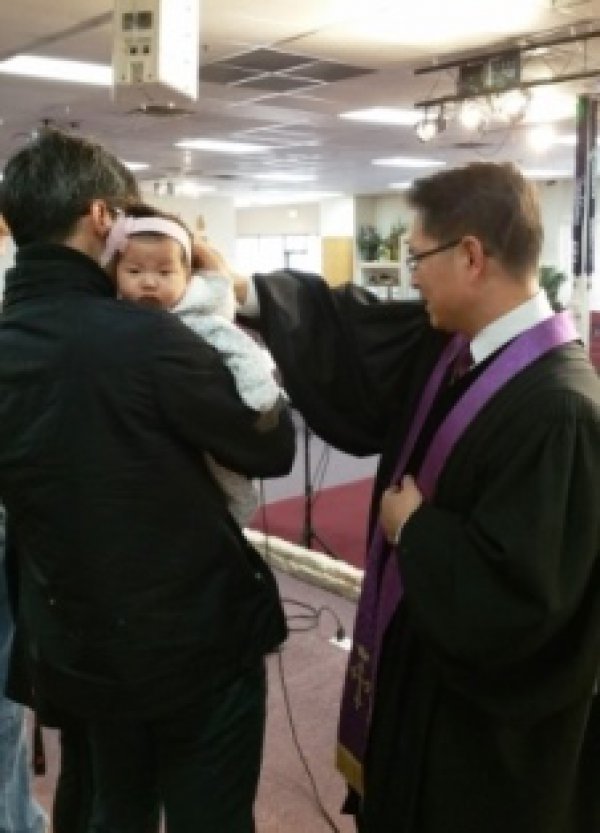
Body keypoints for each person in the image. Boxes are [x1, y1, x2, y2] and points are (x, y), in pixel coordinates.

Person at [195, 161, 600, 833]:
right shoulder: (455, 348)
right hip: (422, 677)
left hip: (483, 742)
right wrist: (240, 288)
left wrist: (414, 530)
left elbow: (526, 603)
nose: (411, 276)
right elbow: (357, 329)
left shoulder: (561, 411)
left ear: (470, 256)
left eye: (418, 258)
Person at [0, 129, 295, 833]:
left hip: (74, 642)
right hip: (194, 647)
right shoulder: (149, 338)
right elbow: (271, 445)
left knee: (112, 808)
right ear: (102, 216)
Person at [104, 202, 282, 527]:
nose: (149, 282)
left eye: (164, 273)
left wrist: (260, 397)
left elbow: (243, 352)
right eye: (134, 271)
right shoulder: (107, 318)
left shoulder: (199, 321)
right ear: (115, 272)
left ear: (187, 276)